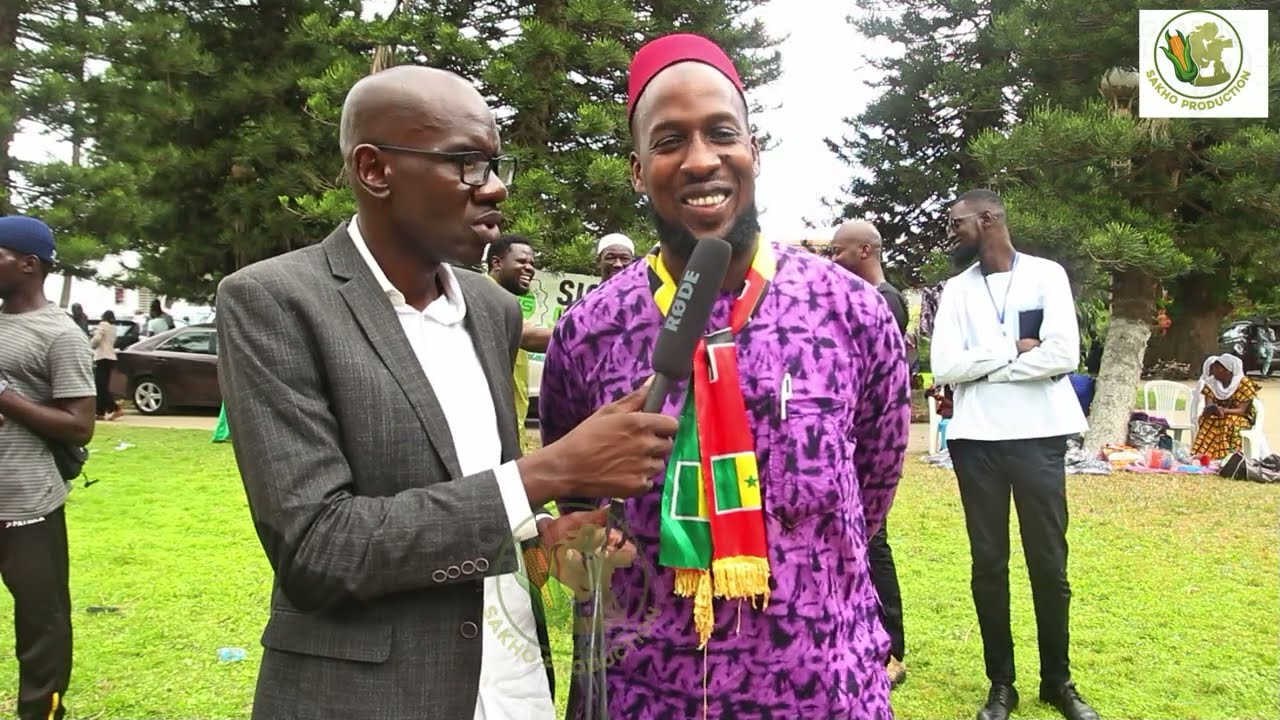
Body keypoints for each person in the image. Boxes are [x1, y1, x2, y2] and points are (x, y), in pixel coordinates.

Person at [215, 65, 676, 720]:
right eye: (464, 164)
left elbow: (467, 489)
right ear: (375, 169)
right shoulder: (275, 302)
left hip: (512, 688)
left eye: (493, 164)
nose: (493, 190)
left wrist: (542, 536)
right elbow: (318, 549)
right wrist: (552, 471)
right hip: (373, 699)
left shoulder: (492, 311)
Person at [539, 34, 911, 718]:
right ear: (637, 167)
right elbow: (577, 496)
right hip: (644, 689)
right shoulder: (588, 331)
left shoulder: (849, 312)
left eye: (721, 134)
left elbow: (875, 483)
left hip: (818, 683)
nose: (701, 160)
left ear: (755, 151)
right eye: (670, 140)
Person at [931, 189, 1097, 720]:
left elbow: (1064, 354)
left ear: (987, 219)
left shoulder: (1047, 275)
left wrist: (985, 367)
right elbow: (945, 365)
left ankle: (1058, 681)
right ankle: (1001, 685)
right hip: (976, 440)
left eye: (958, 222)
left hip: (1039, 436)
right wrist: (1012, 353)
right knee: (989, 564)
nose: (952, 231)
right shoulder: (956, 290)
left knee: (1049, 562)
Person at [0, 215, 96, 720]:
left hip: (26, 502)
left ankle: (41, 713)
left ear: (29, 264)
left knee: (42, 625)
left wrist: (5, 396)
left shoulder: (60, 335)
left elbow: (80, 426)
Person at [830, 218, 908, 687]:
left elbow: (882, 391)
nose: (834, 260)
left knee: (874, 544)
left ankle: (891, 646)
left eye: (839, 252)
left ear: (864, 251)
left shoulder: (884, 303)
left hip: (869, 448)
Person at [486, 234, 551, 452]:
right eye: (522, 261)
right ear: (496, 263)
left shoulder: (509, 303)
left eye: (532, 263)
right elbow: (526, 336)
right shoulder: (482, 295)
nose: (529, 268)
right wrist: (584, 333)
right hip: (489, 432)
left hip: (511, 429)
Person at [1190, 354, 1259, 459]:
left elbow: (1241, 410)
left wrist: (1224, 411)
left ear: (1228, 371)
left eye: (1218, 369)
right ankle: (1204, 456)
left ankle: (1229, 456)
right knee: (1206, 420)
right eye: (1214, 368)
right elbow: (1208, 404)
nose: (1214, 371)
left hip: (1241, 417)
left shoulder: (1244, 384)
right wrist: (1211, 410)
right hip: (1219, 415)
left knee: (1228, 422)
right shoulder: (1211, 383)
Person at [89, 310, 123, 421]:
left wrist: (91, 344)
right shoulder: (114, 328)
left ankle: (115, 408)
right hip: (111, 357)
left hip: (102, 356)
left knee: (100, 386)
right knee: (102, 385)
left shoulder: (103, 325)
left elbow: (97, 339)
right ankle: (100, 411)